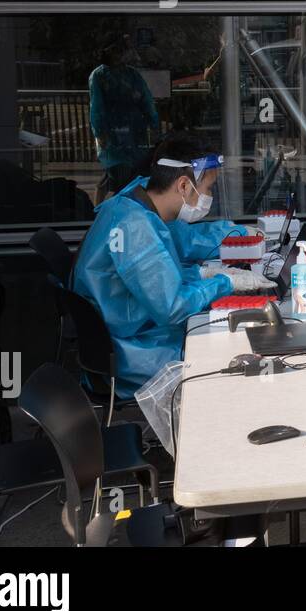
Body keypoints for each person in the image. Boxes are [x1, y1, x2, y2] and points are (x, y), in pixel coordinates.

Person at [72, 133, 272, 398]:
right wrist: (225, 282)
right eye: (208, 188)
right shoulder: (135, 226)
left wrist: (203, 272)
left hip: (131, 330)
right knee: (232, 355)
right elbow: (172, 306)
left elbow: (155, 273)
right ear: (183, 186)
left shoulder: (137, 203)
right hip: (132, 351)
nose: (210, 196)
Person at [89, 39, 160, 203]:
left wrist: (153, 122)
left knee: (130, 175)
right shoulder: (99, 76)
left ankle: (105, 210)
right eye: (116, 51)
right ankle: (101, 211)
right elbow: (97, 107)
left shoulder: (131, 74)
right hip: (112, 132)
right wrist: (100, 133)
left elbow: (146, 99)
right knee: (115, 174)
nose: (120, 54)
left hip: (134, 131)